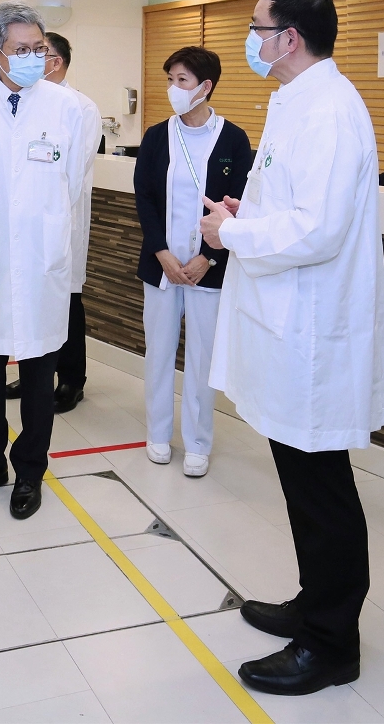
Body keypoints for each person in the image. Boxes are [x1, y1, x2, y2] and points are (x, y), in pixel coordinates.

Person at [199, 0, 384, 694]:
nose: (249, 40)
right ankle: (315, 603)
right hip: (287, 325)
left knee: (322, 491)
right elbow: (292, 205)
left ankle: (331, 642)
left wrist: (232, 233)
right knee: (301, 480)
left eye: (257, 27)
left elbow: (317, 229)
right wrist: (245, 212)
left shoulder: (331, 110)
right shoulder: (294, 100)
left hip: (312, 332)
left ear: (288, 38)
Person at [0, 2, 87, 521]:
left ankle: (29, 470)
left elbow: (73, 183)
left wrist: (40, 228)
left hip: (41, 260)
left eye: (39, 48)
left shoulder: (68, 107)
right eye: (21, 49)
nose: (33, 58)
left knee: (38, 372)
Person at [135, 46, 253, 476]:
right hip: (162, 266)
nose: (173, 88)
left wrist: (208, 257)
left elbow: (240, 205)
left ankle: (199, 442)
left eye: (181, 80)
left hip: (210, 268)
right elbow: (145, 199)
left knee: (203, 357)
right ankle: (158, 433)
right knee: (159, 351)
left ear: (205, 86)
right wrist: (162, 252)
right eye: (170, 79)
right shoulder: (156, 136)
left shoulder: (234, 139)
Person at [4, 32, 100, 412]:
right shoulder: (25, 103)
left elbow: (74, 173)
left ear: (55, 62)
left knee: (67, 302)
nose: (27, 59)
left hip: (63, 222)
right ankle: (33, 375)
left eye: (37, 52)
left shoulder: (82, 108)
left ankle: (72, 380)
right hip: (26, 226)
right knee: (30, 301)